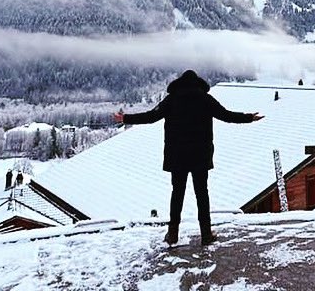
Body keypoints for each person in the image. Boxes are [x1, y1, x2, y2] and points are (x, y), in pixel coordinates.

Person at [112, 70, 263, 246]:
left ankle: (173, 234)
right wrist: (249, 118)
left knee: (177, 194)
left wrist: (125, 118)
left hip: (177, 156)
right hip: (200, 155)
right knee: (202, 194)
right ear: (198, 83)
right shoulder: (205, 99)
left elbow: (151, 116)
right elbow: (226, 115)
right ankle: (206, 234)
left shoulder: (172, 99)